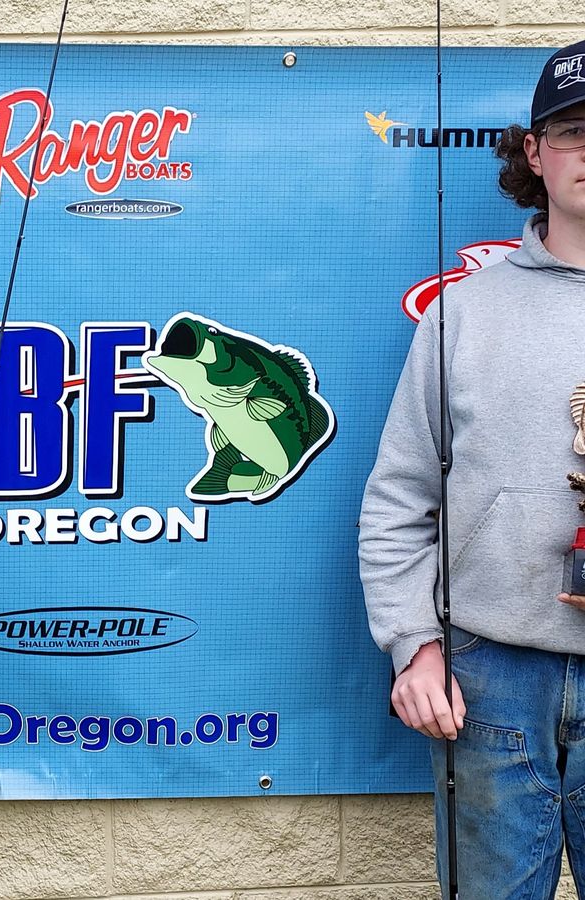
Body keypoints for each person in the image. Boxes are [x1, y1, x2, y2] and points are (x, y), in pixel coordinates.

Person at [360, 39, 585, 899]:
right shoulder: (463, 312)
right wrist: (415, 646)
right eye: (572, 130)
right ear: (534, 151)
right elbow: (399, 499)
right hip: (487, 678)